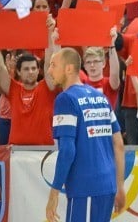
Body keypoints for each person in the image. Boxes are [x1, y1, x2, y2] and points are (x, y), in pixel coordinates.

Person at [47, 48, 125, 222]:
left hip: (86, 186)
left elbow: (67, 150)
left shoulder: (65, 99)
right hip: (107, 185)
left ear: (68, 68)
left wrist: (54, 192)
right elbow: (118, 143)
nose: (49, 70)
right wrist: (120, 186)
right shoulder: (101, 98)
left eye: (53, 65)